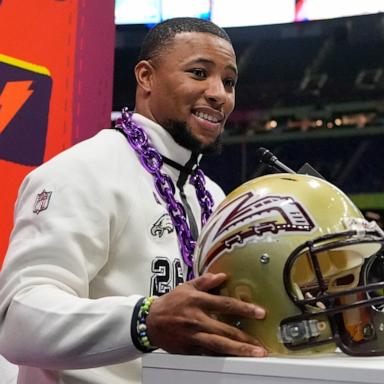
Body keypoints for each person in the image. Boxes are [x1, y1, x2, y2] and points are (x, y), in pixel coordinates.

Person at [0, 17, 267, 384]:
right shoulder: (81, 171)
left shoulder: (213, 195)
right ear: (145, 77)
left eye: (229, 81)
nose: (219, 93)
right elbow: (18, 320)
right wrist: (145, 321)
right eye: (199, 72)